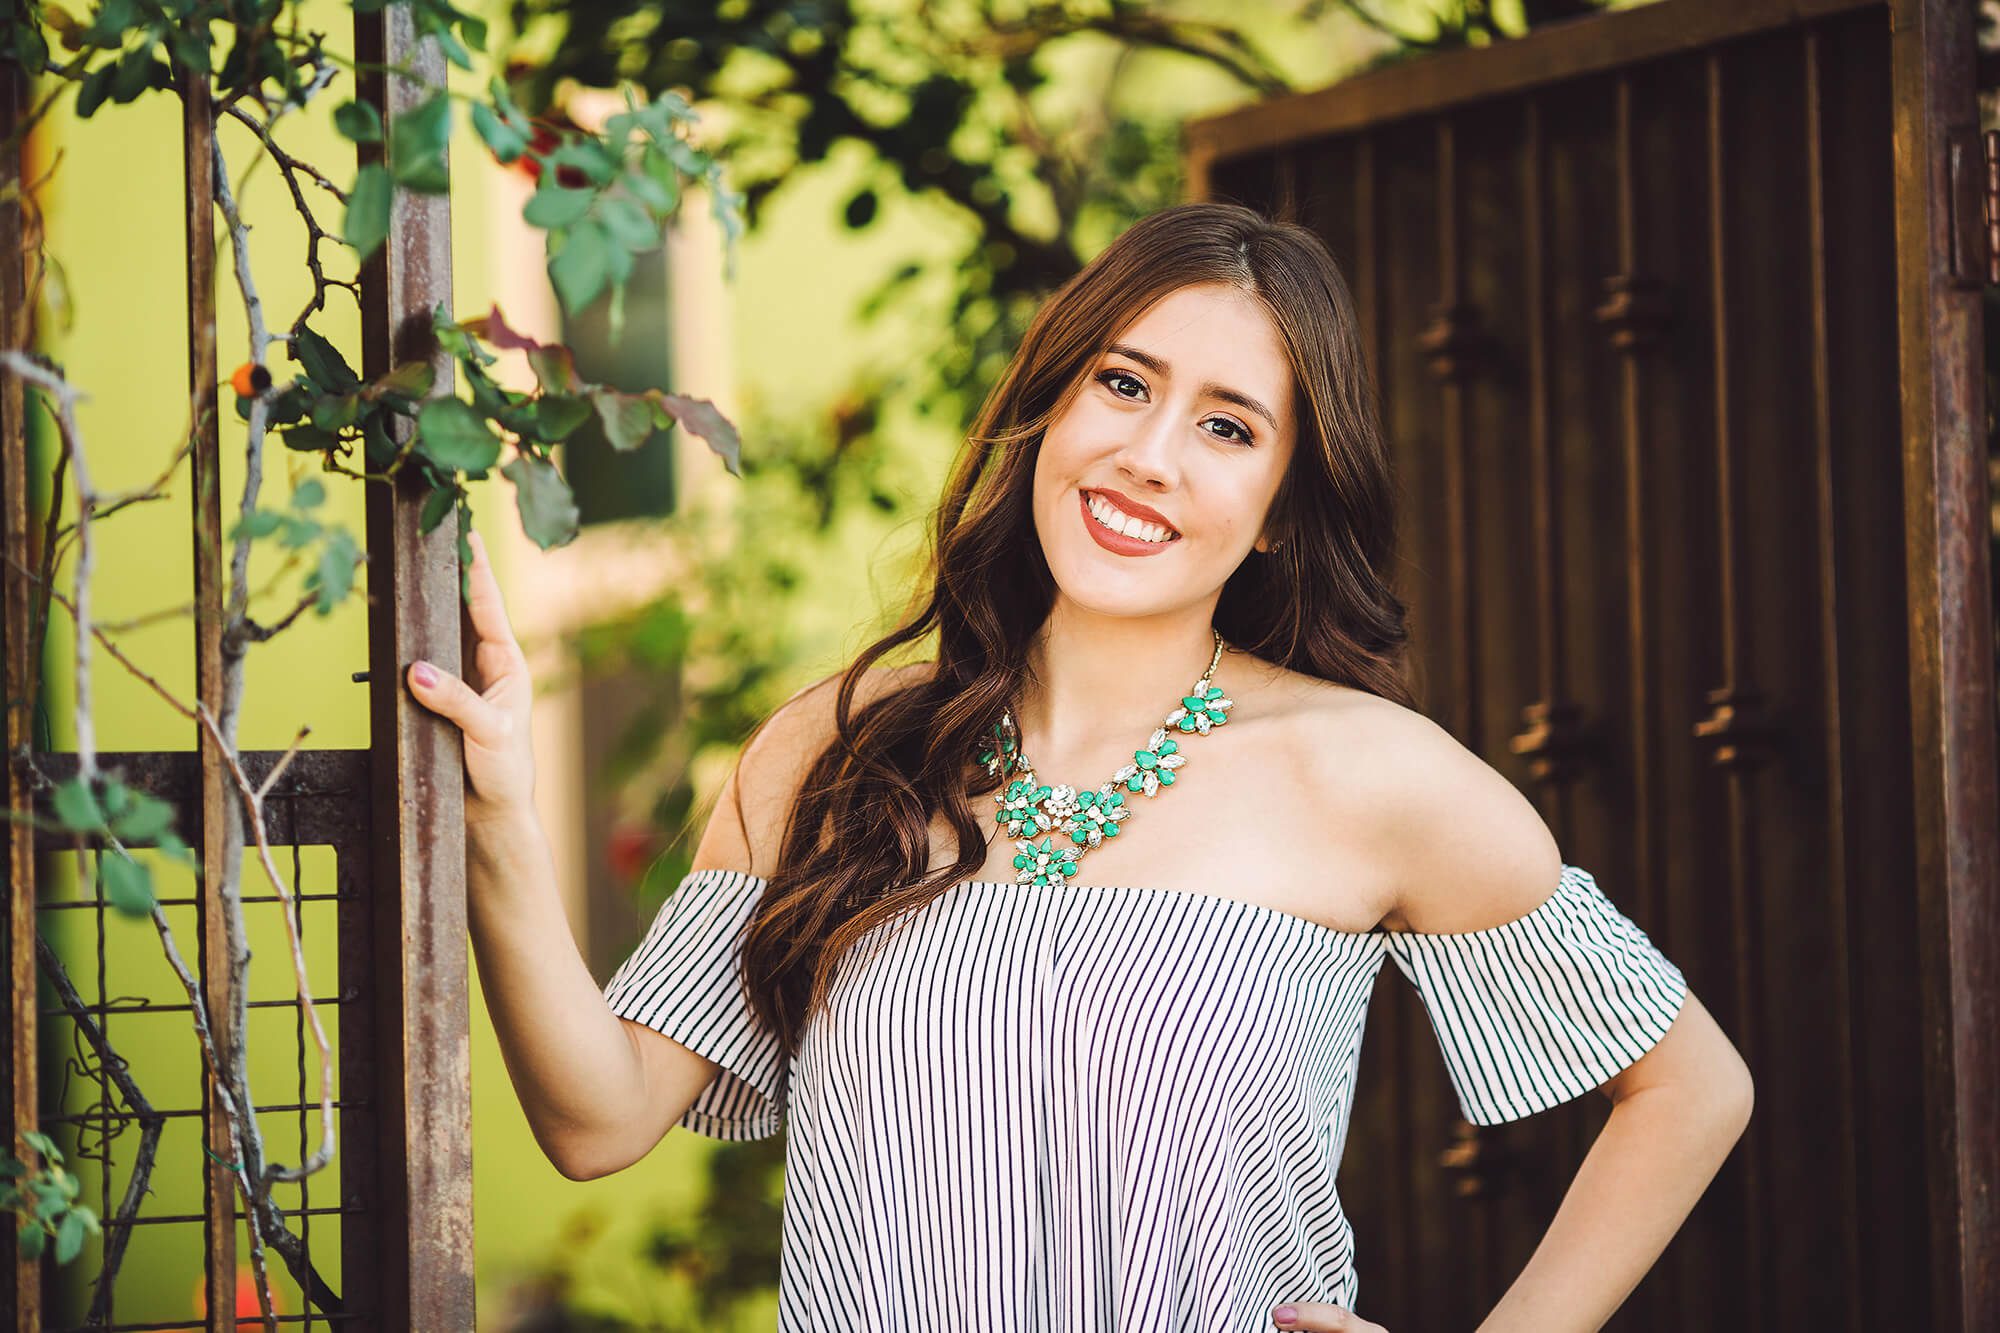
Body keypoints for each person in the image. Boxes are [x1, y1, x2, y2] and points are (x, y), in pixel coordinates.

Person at [409, 202, 1754, 1332]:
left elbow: (1692, 1084)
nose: (1149, 455)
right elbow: (598, 1118)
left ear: (1283, 505)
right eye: (1123, 383)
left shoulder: (1366, 777)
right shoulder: (837, 746)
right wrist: (501, 809)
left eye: (1229, 426)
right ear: (1052, 407)